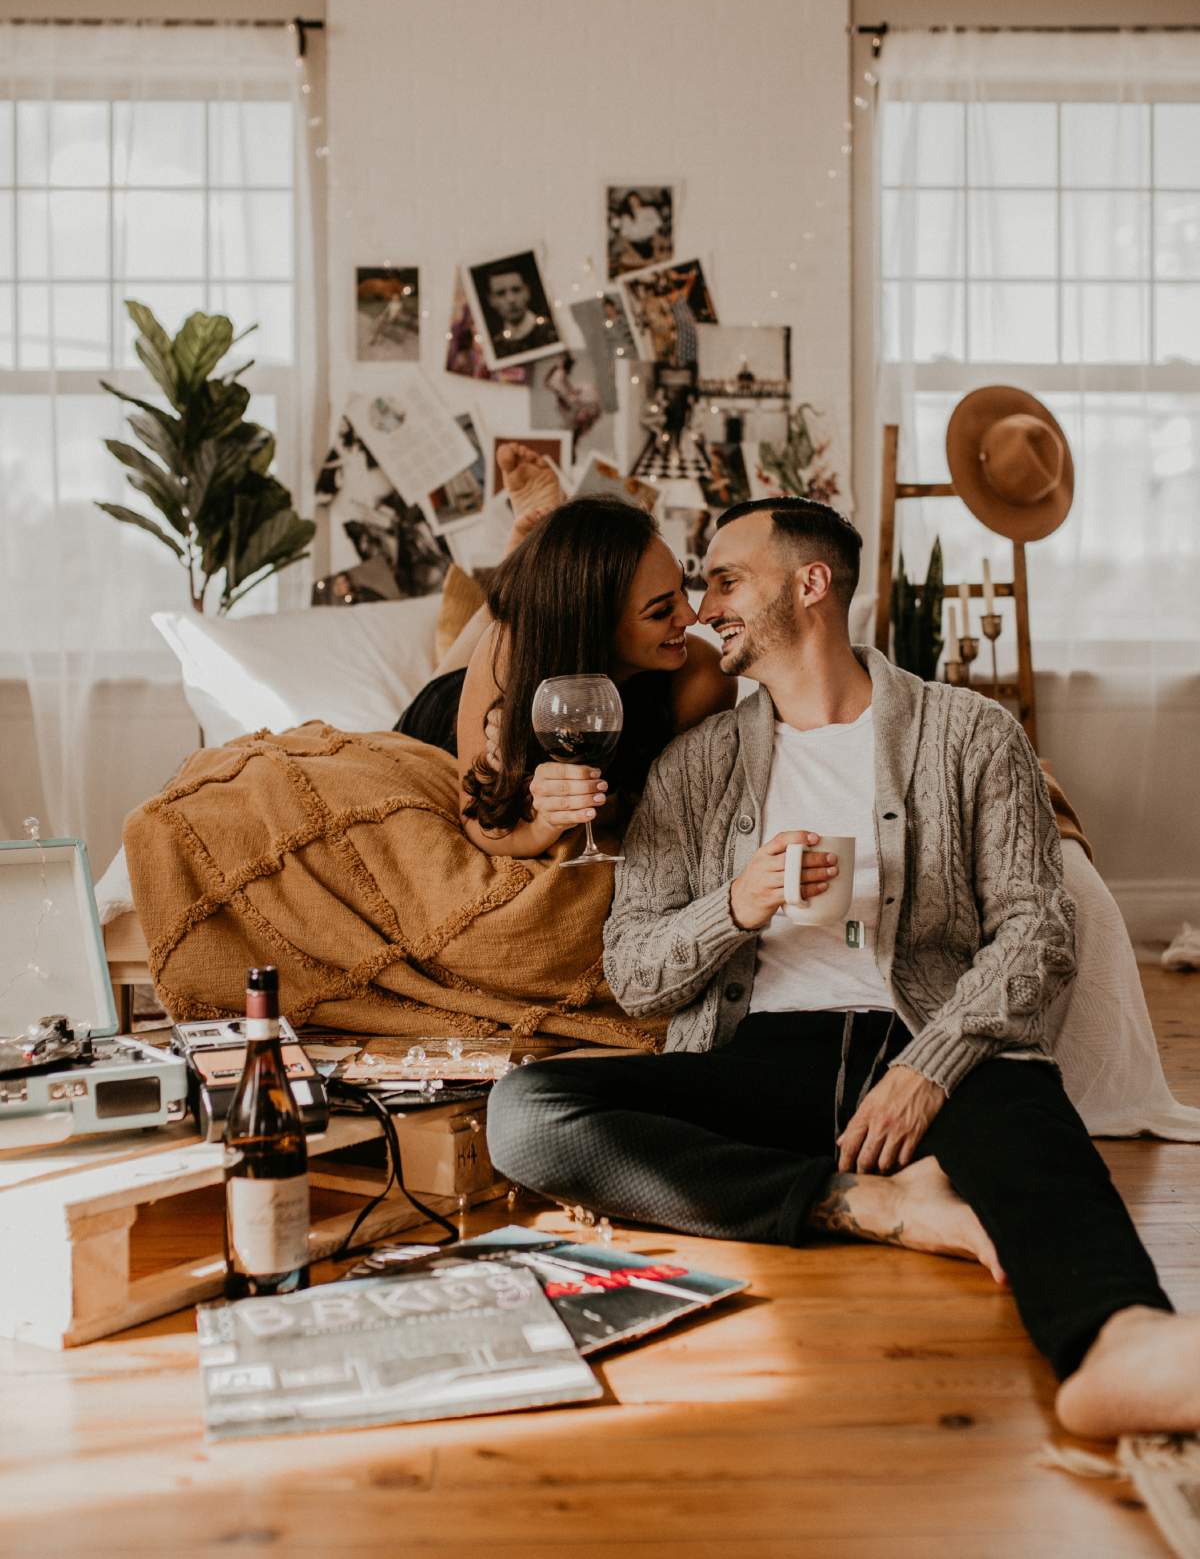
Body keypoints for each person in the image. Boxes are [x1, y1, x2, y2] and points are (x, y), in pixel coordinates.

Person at [488, 494, 1200, 1439]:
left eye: (727, 579)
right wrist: (733, 907)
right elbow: (635, 970)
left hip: (935, 1044)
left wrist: (928, 1067)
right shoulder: (694, 769)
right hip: (768, 1057)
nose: (704, 607)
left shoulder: (972, 734)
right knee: (527, 1111)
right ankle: (864, 1200)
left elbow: (1038, 933)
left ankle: (1118, 1341)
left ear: (811, 584)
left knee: (1030, 1126)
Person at [398, 445, 735, 860]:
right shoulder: (507, 650)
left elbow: (660, 802)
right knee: (501, 631)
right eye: (661, 610)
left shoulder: (702, 676)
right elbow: (485, 825)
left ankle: (530, 563)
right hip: (449, 717)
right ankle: (520, 570)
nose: (692, 615)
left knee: (515, 625)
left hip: (550, 650)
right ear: (595, 623)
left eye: (683, 588)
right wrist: (543, 821)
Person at [480, 260, 548, 359]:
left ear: (527, 292)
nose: (511, 299)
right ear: (491, 300)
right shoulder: (494, 348)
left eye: (516, 290)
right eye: (501, 293)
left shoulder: (552, 331)